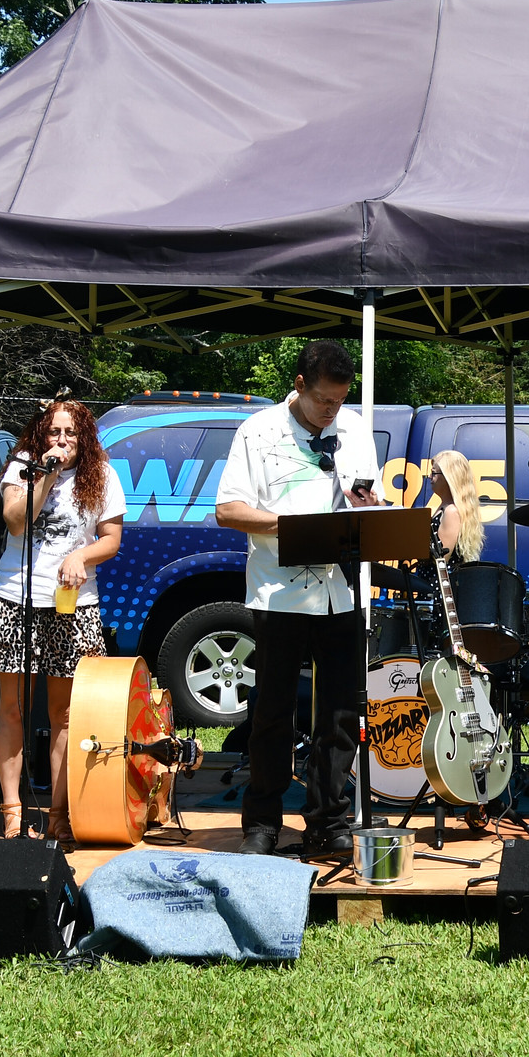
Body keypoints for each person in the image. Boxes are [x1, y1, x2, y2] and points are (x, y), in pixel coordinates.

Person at [215, 340, 381, 858]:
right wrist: (294, 527)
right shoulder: (258, 431)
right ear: (299, 385)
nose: (333, 411)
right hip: (278, 593)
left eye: (339, 401)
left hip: (343, 591)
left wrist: (368, 506)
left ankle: (328, 819)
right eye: (323, 402)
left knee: (338, 715)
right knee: (273, 711)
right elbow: (229, 510)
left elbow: (365, 495)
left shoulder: (353, 429)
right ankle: (262, 821)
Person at [0, 399, 126, 848]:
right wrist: (46, 473)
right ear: (40, 436)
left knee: (65, 713)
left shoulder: (101, 474)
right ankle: (12, 811)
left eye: (70, 433)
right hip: (16, 598)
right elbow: (16, 522)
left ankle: (59, 816)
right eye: (53, 432)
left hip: (73, 604)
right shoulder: (23, 467)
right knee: (13, 707)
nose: (61, 441)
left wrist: (80, 555)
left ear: (83, 437)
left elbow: (112, 539)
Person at [428, 450, 485, 565]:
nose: (429, 477)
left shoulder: (451, 511)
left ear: (448, 477)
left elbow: (440, 559)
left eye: (433, 473)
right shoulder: (445, 507)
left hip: (437, 580)